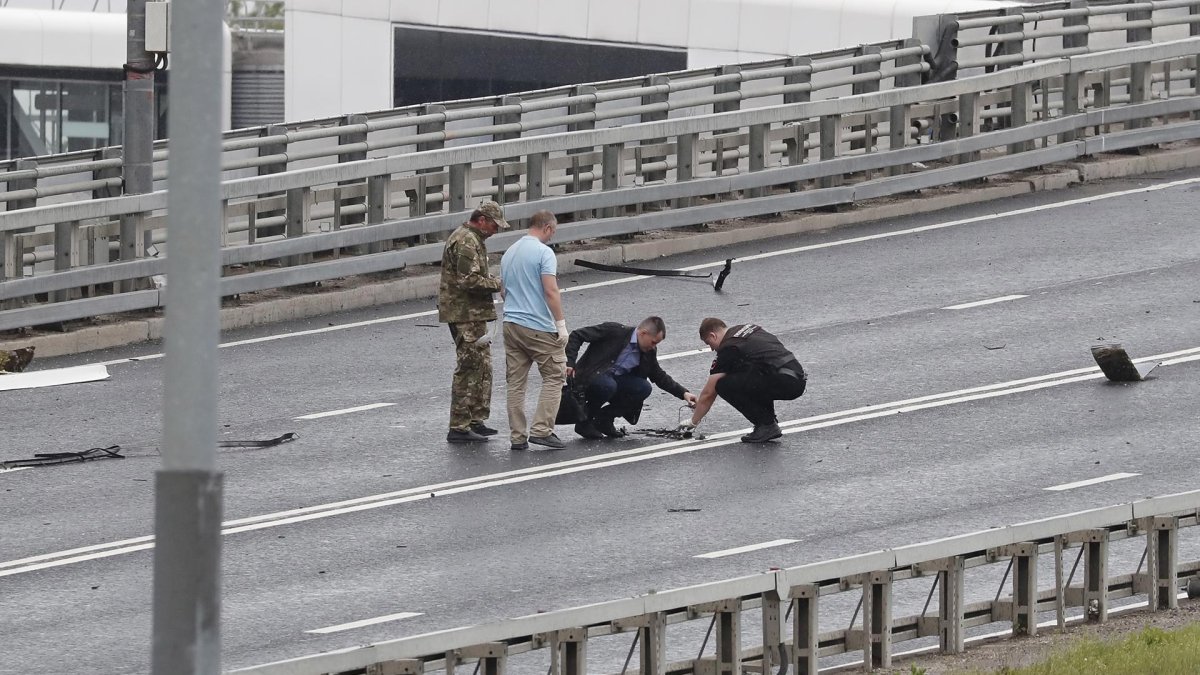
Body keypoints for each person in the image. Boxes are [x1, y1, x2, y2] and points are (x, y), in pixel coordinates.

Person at [437, 200, 509, 443]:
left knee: (482, 367)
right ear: (481, 220)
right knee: (468, 368)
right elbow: (468, 280)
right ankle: (458, 426)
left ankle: (475, 419)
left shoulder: (473, 238)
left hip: (473, 314)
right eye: (493, 225)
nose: (495, 230)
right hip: (464, 314)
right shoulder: (467, 240)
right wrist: (497, 283)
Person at [500, 210, 568, 450]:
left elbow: (503, 291)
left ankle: (517, 436)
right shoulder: (543, 253)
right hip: (536, 325)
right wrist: (560, 324)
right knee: (555, 374)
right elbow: (551, 291)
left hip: (510, 324)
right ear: (547, 227)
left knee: (516, 382)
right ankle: (542, 429)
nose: (552, 237)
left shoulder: (509, 252)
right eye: (553, 232)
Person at [565, 317, 698, 439]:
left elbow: (658, 375)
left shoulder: (648, 352)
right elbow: (577, 335)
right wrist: (570, 363)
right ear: (643, 333)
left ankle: (604, 419)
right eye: (653, 342)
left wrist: (683, 393)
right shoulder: (615, 331)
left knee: (643, 388)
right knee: (607, 385)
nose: (653, 346)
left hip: (612, 383)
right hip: (590, 377)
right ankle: (584, 422)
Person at [680, 318, 806, 443]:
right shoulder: (748, 329)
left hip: (785, 381)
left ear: (713, 335)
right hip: (795, 376)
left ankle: (767, 425)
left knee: (724, 385)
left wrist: (693, 421)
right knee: (747, 374)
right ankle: (767, 421)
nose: (712, 349)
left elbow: (709, 392)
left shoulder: (729, 347)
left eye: (709, 343)